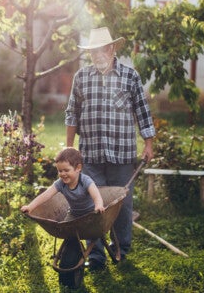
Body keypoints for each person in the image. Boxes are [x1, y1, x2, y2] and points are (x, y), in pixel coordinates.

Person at [65, 26, 156, 269]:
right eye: (92, 50)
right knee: (91, 204)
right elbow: (72, 113)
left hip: (122, 153)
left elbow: (142, 112)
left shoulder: (130, 76)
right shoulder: (82, 77)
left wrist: (148, 143)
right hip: (91, 154)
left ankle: (121, 249)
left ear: (112, 48)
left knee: (121, 204)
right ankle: (96, 256)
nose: (96, 54)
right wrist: (68, 149)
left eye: (101, 49)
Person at [21, 147, 105, 220]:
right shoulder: (61, 183)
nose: (63, 174)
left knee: (94, 233)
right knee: (66, 229)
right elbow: (45, 195)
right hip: (74, 214)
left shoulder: (85, 181)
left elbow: (96, 196)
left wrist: (98, 206)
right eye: (60, 171)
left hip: (92, 213)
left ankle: (96, 238)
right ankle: (71, 239)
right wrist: (30, 207)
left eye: (66, 170)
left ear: (78, 168)